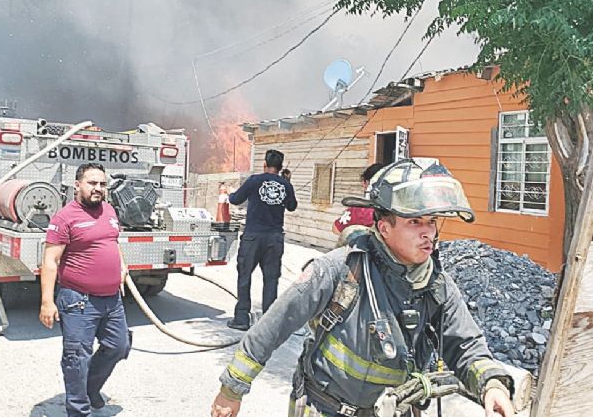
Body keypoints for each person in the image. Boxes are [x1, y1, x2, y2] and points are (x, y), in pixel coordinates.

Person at [211, 159, 515, 417]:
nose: (428, 233)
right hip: (324, 408)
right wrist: (231, 389)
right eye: (415, 222)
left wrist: (492, 384)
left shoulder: (438, 286)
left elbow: (466, 347)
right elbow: (272, 327)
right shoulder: (337, 271)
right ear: (384, 228)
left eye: (432, 222)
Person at [39, 163, 130, 417]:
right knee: (76, 358)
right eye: (92, 183)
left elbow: (111, 241)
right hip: (78, 301)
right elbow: (50, 261)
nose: (98, 189)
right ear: (77, 185)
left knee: (119, 346)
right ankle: (78, 411)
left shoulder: (109, 210)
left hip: (112, 300)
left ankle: (90, 388)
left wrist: (121, 265)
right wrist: (47, 301)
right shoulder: (65, 217)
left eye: (102, 184)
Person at [226, 149, 297, 331]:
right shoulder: (285, 185)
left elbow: (235, 200)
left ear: (265, 164)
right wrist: (286, 184)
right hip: (274, 238)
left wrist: (228, 193)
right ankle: (268, 323)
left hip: (253, 237)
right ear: (280, 167)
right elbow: (292, 206)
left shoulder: (254, 180)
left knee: (244, 276)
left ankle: (242, 318)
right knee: (271, 279)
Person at [331, 162, 384, 236]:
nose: (363, 185)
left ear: (368, 183)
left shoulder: (359, 210)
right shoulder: (399, 210)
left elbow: (336, 229)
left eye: (364, 182)